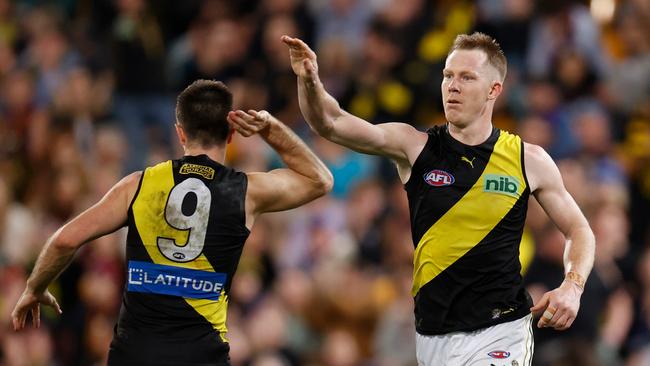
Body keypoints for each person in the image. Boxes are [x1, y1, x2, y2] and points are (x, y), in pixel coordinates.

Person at [282, 32, 596, 365]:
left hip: (501, 328)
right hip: (433, 334)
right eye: (448, 75)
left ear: (494, 90)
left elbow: (580, 231)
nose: (452, 85)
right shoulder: (414, 147)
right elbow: (329, 122)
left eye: (467, 77)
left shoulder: (527, 159)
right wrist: (309, 80)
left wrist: (572, 286)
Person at [11, 80, 333, 365]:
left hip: (134, 353)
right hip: (202, 354)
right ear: (232, 133)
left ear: (180, 133)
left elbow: (66, 240)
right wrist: (270, 129)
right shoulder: (247, 191)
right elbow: (320, 179)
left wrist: (34, 287)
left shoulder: (137, 185)